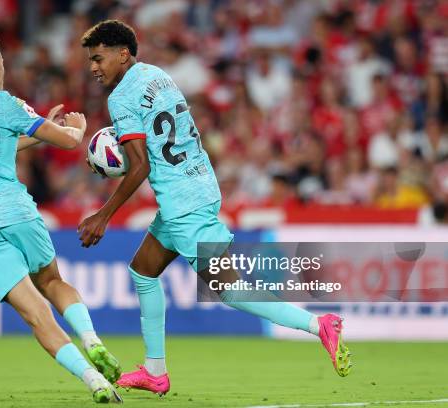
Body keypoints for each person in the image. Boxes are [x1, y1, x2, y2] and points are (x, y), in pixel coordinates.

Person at [78, 20, 352, 396]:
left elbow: (139, 164)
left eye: (98, 58)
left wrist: (102, 215)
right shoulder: (157, 76)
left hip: (183, 201)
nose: (94, 67)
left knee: (230, 290)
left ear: (123, 54)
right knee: (143, 270)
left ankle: (319, 324)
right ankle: (155, 371)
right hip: (197, 184)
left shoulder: (120, 97)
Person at [0, 36, 121, 404]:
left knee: (36, 315)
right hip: (13, 211)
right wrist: (76, 129)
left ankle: (93, 380)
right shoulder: (5, 103)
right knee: (51, 280)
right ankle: (92, 340)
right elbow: (67, 142)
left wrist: (34, 130)